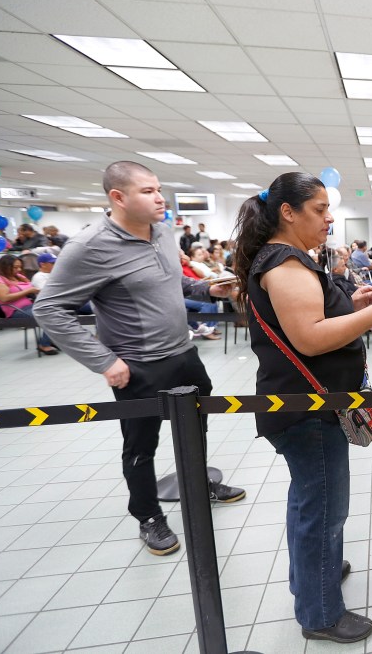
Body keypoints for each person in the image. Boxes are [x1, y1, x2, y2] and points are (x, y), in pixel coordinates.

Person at [34, 160, 245, 557]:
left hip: (183, 353)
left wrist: (206, 290)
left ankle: (197, 486)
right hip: (137, 365)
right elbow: (49, 310)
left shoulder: (162, 232)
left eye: (159, 188)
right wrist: (104, 361)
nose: (160, 197)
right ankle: (148, 516)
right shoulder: (89, 247)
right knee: (140, 445)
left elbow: (172, 282)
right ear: (118, 197)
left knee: (194, 427)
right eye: (148, 191)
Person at [232, 172, 372, 643]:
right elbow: (309, 338)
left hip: (307, 406)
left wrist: (351, 303)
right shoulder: (284, 264)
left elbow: (313, 316)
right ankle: (321, 613)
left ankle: (315, 575)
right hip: (307, 412)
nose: (329, 219)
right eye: (320, 209)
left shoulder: (288, 260)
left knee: (311, 500)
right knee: (324, 508)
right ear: (287, 212)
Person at [0, 254, 59, 354]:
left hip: (30, 306)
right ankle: (44, 344)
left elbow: (30, 286)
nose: (19, 269)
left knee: (61, 309)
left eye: (20, 267)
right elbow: (4, 298)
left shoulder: (17, 277)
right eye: (15, 267)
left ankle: (52, 340)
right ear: (5, 266)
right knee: (51, 313)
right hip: (15, 311)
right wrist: (28, 290)